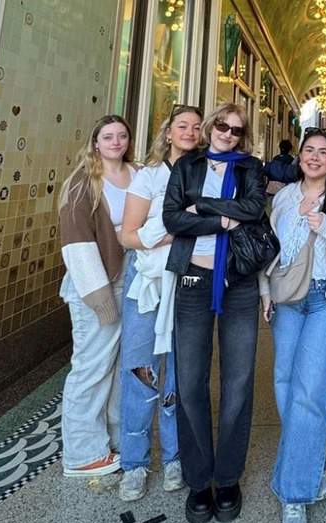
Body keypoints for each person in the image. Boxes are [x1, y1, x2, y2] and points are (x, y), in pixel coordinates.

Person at [162, 103, 265, 523]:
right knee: (190, 383)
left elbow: (255, 209)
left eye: (236, 130)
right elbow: (171, 219)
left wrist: (200, 208)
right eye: (222, 125)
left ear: (243, 137)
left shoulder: (249, 168)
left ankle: (227, 479)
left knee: (238, 383)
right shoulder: (187, 165)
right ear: (210, 128)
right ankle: (198, 479)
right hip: (193, 280)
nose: (227, 133)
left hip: (238, 283)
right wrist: (221, 220)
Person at [259, 130, 326, 523]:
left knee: (311, 391)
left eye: (324, 152)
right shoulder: (284, 197)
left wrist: (325, 225)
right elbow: (269, 249)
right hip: (287, 299)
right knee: (285, 382)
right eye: (309, 150)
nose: (315, 157)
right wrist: (265, 290)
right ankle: (310, 466)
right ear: (299, 157)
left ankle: (294, 490)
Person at [116, 104, 204, 501]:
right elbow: (127, 236)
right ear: (168, 132)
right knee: (140, 366)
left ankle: (173, 455)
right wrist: (168, 230)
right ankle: (135, 462)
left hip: (188, 279)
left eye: (196, 127)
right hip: (148, 281)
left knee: (180, 371)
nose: (189, 131)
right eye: (182, 126)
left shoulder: (205, 175)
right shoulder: (148, 177)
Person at [58, 114, 135, 477]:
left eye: (121, 136)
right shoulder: (82, 184)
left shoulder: (134, 174)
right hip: (96, 288)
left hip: (128, 282)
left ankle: (112, 439)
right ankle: (82, 453)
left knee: (118, 366)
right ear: (95, 143)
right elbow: (77, 245)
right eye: (108, 137)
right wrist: (99, 297)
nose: (115, 142)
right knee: (91, 366)